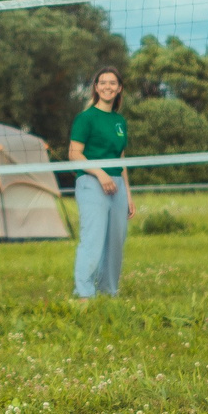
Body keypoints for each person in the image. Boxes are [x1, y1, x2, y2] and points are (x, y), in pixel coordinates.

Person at [68, 66, 136, 297]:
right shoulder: (85, 118)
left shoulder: (119, 121)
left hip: (117, 185)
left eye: (113, 83)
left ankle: (108, 291)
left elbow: (121, 158)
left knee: (116, 242)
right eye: (103, 83)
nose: (108, 86)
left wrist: (128, 193)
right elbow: (74, 154)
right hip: (92, 182)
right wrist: (100, 173)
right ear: (96, 88)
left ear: (119, 89)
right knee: (93, 240)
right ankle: (84, 294)